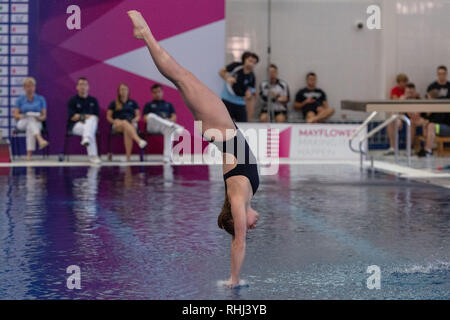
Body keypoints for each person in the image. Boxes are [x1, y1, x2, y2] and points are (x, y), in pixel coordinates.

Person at [128, 10, 259, 288]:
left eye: (246, 226)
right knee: (181, 77)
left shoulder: (237, 200)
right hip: (220, 128)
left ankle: (145, 33)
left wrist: (234, 279)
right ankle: (146, 34)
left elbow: (238, 242)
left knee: (181, 76)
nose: (251, 226)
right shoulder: (244, 197)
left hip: (220, 127)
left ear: (235, 219)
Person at [143, 84, 184, 162]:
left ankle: (166, 157)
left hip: (164, 127)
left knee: (169, 130)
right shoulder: (148, 105)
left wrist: (168, 121)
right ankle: (172, 125)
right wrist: (162, 120)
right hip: (153, 127)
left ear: (162, 92)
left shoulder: (168, 105)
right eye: (155, 92)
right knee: (151, 116)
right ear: (152, 94)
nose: (157, 94)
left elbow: (174, 117)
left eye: (159, 91)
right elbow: (145, 119)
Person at [107, 83, 148, 162]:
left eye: (125, 89)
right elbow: (108, 117)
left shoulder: (133, 103)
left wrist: (133, 120)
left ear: (128, 91)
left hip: (131, 123)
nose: (123, 91)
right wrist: (114, 121)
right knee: (125, 123)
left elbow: (138, 116)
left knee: (127, 129)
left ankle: (128, 158)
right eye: (121, 89)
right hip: (117, 125)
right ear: (118, 91)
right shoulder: (113, 103)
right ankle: (138, 140)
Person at [13, 77, 49, 161]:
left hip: (37, 122)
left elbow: (44, 116)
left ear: (35, 87)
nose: (30, 88)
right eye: (28, 86)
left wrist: (39, 118)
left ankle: (29, 154)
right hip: (22, 122)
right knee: (30, 118)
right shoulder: (20, 99)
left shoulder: (41, 99)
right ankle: (40, 139)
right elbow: (16, 115)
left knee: (30, 126)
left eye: (32, 86)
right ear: (24, 88)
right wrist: (24, 115)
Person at [67, 77, 101, 164]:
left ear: (88, 87)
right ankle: (93, 156)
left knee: (92, 122)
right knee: (90, 128)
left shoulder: (93, 100)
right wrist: (86, 116)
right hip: (75, 126)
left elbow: (97, 118)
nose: (83, 86)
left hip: (89, 125)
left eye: (85, 84)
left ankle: (86, 138)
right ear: (77, 87)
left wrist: (82, 117)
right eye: (81, 84)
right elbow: (73, 117)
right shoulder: (72, 100)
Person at [418, 65, 450, 157]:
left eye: (443, 74)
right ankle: (426, 148)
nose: (441, 76)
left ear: (446, 74)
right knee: (426, 124)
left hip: (446, 125)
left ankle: (428, 150)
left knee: (431, 126)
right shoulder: (432, 87)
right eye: (439, 74)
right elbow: (426, 114)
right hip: (438, 123)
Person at [219, 51, 259, 122]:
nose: (251, 64)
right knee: (225, 123)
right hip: (227, 100)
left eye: (254, 63)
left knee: (243, 125)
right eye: (250, 61)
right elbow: (221, 72)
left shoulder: (252, 76)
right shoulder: (236, 66)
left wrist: (249, 93)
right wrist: (227, 78)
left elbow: (252, 90)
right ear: (245, 60)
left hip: (240, 103)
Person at [384, 73, 410, 156]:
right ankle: (392, 147)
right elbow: (396, 102)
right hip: (398, 112)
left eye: (405, 82)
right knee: (391, 121)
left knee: (398, 106)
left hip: (408, 113)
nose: (404, 84)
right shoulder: (395, 90)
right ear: (398, 82)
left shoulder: (408, 89)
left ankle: (397, 118)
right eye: (403, 82)